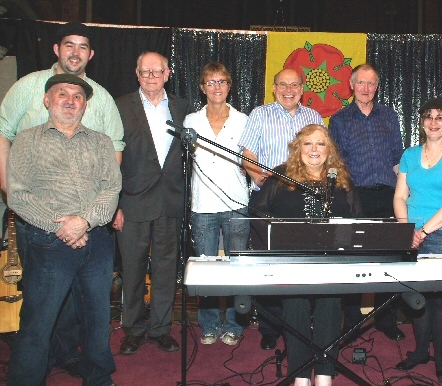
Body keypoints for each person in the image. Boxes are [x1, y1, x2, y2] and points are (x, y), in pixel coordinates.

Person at [0, 21, 124, 377]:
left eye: (77, 97)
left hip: (96, 241)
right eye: (62, 96)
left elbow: (110, 187)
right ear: (46, 100)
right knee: (39, 323)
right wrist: (63, 227)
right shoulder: (27, 140)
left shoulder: (100, 142)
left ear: (86, 104)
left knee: (98, 321)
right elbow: (18, 194)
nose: (70, 102)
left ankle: (98, 379)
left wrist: (83, 222)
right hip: (47, 240)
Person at [253, 124, 362, 386]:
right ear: (298, 148)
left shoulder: (341, 179)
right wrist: (280, 233)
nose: (315, 149)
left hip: (331, 259)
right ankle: (300, 375)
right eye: (308, 143)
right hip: (292, 259)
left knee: (330, 304)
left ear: (329, 150)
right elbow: (257, 211)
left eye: (321, 143)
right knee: (295, 305)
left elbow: (357, 219)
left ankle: (325, 373)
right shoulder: (281, 176)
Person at [238, 68, 323, 350]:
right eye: (283, 85)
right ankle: (270, 327)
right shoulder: (259, 114)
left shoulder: (314, 117)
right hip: (268, 203)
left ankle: (305, 323)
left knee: (304, 266)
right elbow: (247, 153)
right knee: (269, 266)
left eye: (295, 84)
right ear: (274, 88)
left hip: (304, 204)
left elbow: (323, 154)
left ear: (303, 88)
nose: (289, 89)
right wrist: (256, 175)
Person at [114, 51, 189, 355]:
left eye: (157, 72)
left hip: (170, 202)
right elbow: (111, 161)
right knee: (131, 270)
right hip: (131, 203)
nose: (151, 77)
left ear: (168, 74)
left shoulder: (183, 108)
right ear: (137, 74)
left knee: (166, 269)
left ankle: (160, 328)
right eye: (145, 72)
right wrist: (114, 206)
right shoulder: (120, 107)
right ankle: (133, 329)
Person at [393, 98, 442, 379]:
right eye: (429, 117)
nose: (434, 122)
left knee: (439, 299)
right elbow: (400, 196)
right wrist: (407, 230)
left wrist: (423, 232)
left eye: (441, 117)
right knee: (417, 297)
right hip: (411, 232)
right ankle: (420, 351)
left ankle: (440, 356)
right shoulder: (410, 155)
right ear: (422, 121)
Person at [328, 63, 405, 340]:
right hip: (355, 196)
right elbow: (334, 163)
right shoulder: (339, 120)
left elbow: (398, 157)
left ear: (377, 86)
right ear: (351, 85)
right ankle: (351, 320)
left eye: (371, 83)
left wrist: (405, 194)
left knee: (388, 260)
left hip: (388, 196)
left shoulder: (389, 117)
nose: (366, 88)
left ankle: (387, 319)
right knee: (353, 260)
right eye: (361, 83)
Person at [183, 62, 250, 346]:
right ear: (202, 88)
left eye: (222, 81)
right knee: (206, 266)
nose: (216, 87)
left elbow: (250, 161)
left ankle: (234, 323)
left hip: (236, 202)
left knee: (237, 265)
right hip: (203, 204)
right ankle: (209, 322)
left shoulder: (244, 120)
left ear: (229, 86)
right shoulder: (190, 121)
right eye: (210, 82)